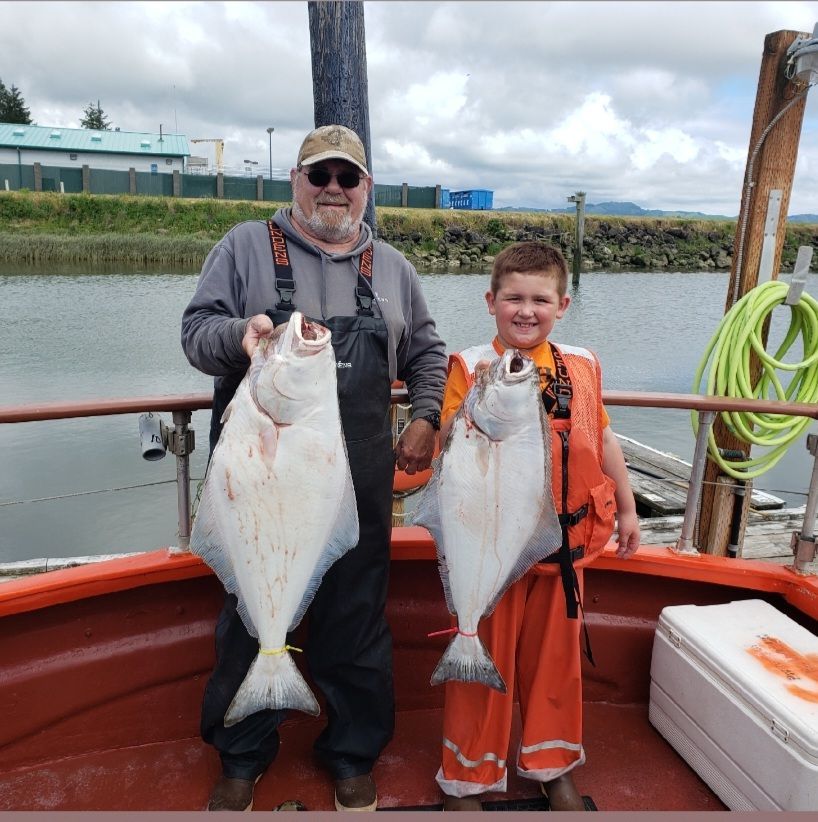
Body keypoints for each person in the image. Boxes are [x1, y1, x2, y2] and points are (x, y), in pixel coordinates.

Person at [181, 124, 447, 812]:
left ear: (366, 189)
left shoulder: (392, 268)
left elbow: (426, 354)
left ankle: (352, 754)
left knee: (356, 621)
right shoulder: (243, 246)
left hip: (352, 480)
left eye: (347, 178)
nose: (333, 189)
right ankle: (242, 756)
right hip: (259, 475)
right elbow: (195, 331)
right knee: (248, 620)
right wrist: (238, 339)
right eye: (318, 175)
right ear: (295, 180)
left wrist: (425, 415)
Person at [434, 241, 640, 812]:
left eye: (540, 300)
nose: (526, 311)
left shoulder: (582, 365)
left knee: (557, 665)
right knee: (480, 661)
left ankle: (553, 766)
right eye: (513, 298)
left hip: (562, 554)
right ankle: (466, 779)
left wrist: (625, 508)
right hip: (487, 551)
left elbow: (604, 440)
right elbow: (450, 444)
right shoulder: (470, 367)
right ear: (490, 301)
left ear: (563, 304)